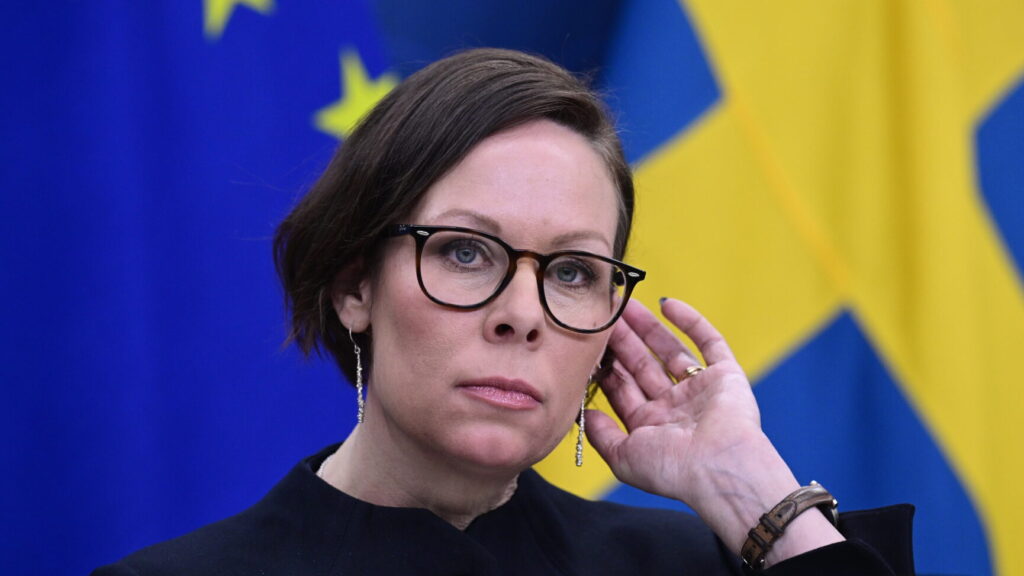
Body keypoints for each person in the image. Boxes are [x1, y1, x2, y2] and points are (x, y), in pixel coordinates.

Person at [93, 48, 915, 575]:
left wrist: (752, 491)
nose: (523, 314)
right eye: (465, 252)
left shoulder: (701, 564)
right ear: (354, 287)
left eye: (572, 271)